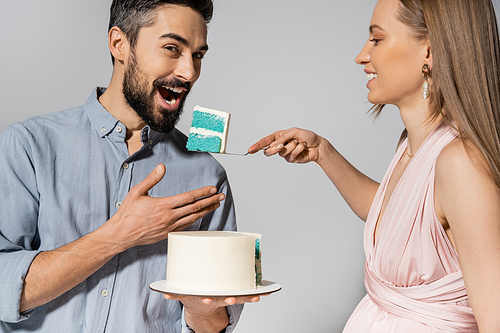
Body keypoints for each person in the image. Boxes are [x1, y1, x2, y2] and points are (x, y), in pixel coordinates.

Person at [0, 0, 262, 332]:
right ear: (119, 44)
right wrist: (118, 235)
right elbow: (3, 288)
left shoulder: (207, 174)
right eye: (172, 48)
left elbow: (217, 325)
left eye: (198, 55)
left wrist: (200, 309)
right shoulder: (29, 144)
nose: (189, 72)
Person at [249, 0, 500, 331]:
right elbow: (400, 220)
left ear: (430, 51)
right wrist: (324, 152)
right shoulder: (412, 144)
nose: (362, 56)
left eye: (377, 39)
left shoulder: (460, 164)